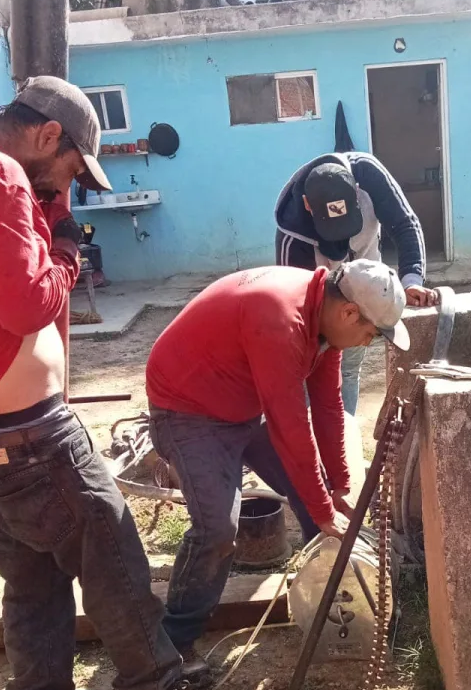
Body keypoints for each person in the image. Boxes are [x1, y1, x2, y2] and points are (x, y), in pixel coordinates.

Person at [0, 77, 246, 690]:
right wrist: (65, 250)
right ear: (46, 136)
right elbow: (26, 303)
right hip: (34, 435)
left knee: (31, 583)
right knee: (114, 556)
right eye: (70, 167)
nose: (70, 185)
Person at [146, 260, 410, 659]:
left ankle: (329, 588)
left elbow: (327, 407)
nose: (367, 342)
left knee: (314, 493)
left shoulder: (324, 320)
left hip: (239, 403)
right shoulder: (281, 319)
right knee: (218, 528)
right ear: (349, 312)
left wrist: (337, 487)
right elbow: (290, 426)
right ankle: (173, 647)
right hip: (187, 409)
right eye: (370, 333)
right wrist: (323, 508)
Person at [275, 152, 437, 413]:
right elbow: (295, 307)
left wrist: (411, 279)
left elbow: (405, 224)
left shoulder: (368, 176)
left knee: (349, 369)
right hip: (321, 301)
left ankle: (345, 437)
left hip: (367, 286)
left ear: (356, 192)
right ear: (307, 205)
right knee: (311, 374)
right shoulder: (292, 234)